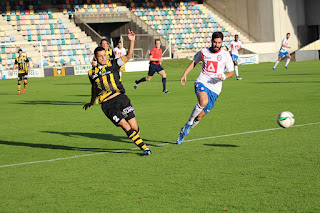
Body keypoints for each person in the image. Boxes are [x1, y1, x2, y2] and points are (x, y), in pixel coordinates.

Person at [83, 29, 151, 156]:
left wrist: (132, 41)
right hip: (107, 105)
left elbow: (128, 57)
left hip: (121, 99)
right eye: (100, 56)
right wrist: (92, 101)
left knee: (134, 128)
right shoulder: (91, 73)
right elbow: (94, 87)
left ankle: (138, 140)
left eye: (104, 55)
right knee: (125, 125)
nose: (103, 57)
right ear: (95, 58)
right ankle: (145, 148)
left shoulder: (113, 63)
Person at [176, 31, 235, 144]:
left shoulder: (225, 55)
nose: (216, 45)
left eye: (219, 42)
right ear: (211, 41)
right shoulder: (204, 52)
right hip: (202, 82)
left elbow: (231, 72)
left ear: (222, 42)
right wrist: (185, 74)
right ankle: (188, 124)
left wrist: (224, 76)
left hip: (215, 89)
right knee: (203, 101)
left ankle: (183, 131)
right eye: (214, 42)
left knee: (199, 117)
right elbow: (194, 62)